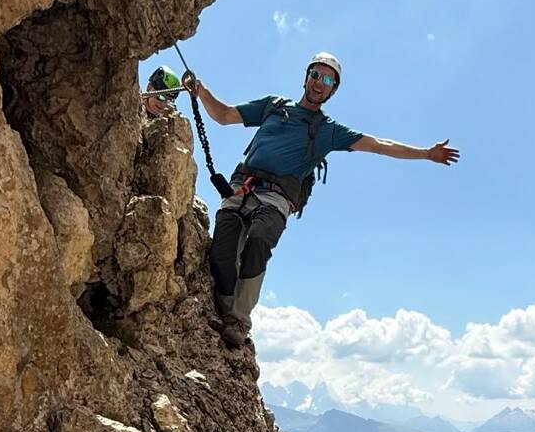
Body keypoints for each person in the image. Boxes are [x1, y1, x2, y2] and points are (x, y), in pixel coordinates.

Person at [180, 52, 460, 347]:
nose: (319, 82)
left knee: (260, 240)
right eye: (316, 75)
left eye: (328, 80)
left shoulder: (328, 131)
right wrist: (200, 90)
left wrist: (426, 154)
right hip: (242, 189)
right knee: (223, 251)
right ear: (306, 78)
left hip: (276, 199)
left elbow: (380, 145)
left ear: (333, 90)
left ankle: (238, 321)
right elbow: (224, 115)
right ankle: (223, 311)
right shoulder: (273, 106)